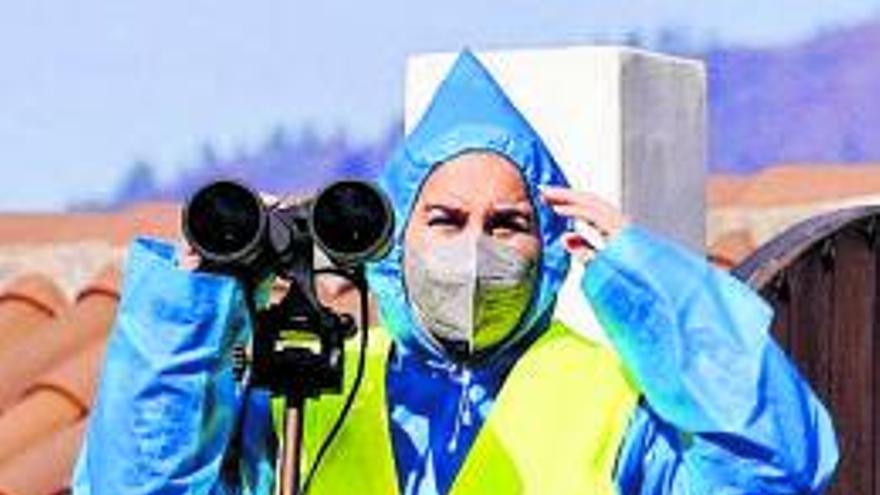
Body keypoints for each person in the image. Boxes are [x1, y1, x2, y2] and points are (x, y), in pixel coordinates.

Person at [73, 50, 838, 494]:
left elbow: (772, 466)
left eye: (507, 223)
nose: (476, 249)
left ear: (551, 245)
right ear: (393, 240)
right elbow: (136, 484)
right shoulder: (310, 388)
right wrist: (195, 302)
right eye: (445, 220)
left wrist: (651, 281)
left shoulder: (612, 403)